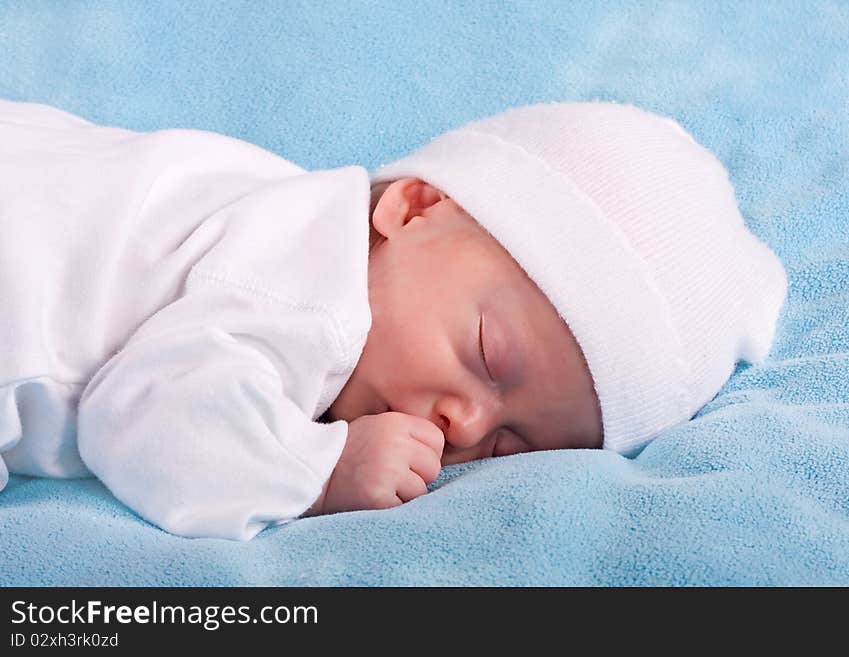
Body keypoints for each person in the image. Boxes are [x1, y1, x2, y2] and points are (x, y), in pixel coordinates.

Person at [0, 99, 788, 540]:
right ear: (414, 206)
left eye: (513, 442)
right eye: (487, 351)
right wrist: (319, 469)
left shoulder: (282, 210)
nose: (467, 424)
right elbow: (146, 418)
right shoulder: (311, 293)